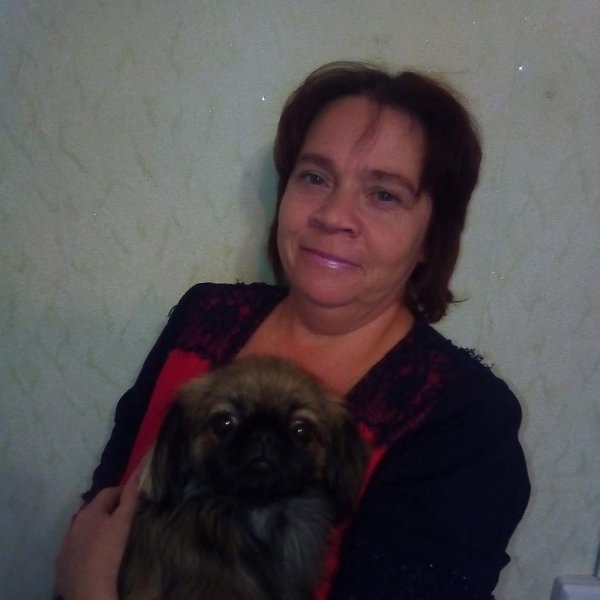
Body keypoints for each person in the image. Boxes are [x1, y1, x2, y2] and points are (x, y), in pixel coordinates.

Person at [54, 62, 530, 600]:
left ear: (430, 238)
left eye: (384, 195)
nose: (333, 215)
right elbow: (105, 507)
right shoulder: (204, 316)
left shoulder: (465, 422)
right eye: (315, 177)